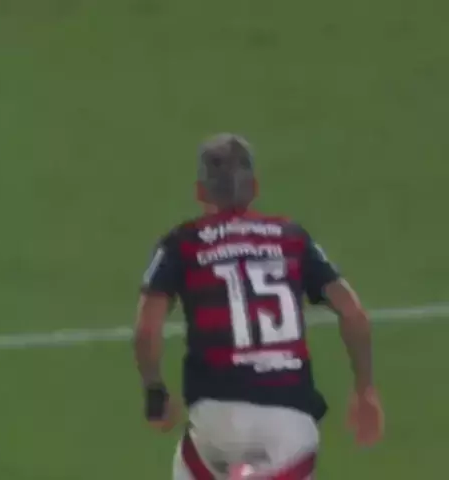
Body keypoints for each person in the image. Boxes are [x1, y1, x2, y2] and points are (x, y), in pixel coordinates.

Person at [133, 133, 384, 479]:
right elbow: (352, 313)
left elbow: (147, 328)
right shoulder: (292, 238)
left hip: (216, 418)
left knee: (192, 458)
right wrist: (364, 388)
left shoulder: (182, 243)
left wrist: (155, 391)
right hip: (288, 424)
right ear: (255, 188)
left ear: (200, 191)